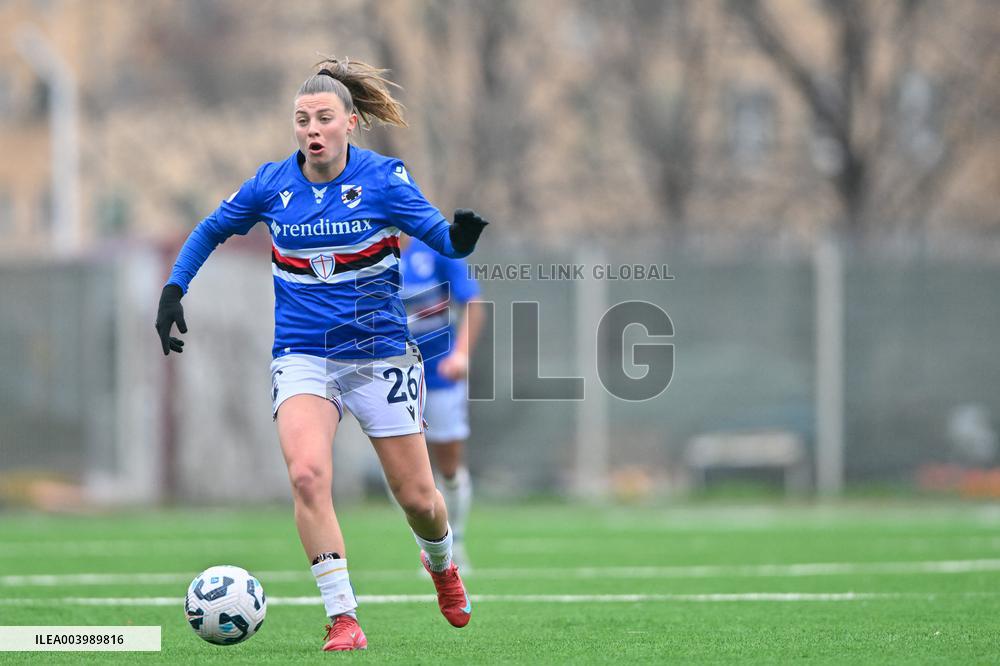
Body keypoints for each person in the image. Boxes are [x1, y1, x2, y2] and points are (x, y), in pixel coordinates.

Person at [154, 57, 488, 652]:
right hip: (303, 356)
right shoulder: (271, 184)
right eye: (302, 118)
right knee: (307, 474)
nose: (312, 128)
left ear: (350, 123)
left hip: (379, 355)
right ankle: (343, 617)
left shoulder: (385, 179)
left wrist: (458, 238)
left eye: (324, 117)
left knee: (418, 499)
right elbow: (209, 229)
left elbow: (440, 235)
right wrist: (174, 289)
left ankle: (442, 565)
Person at [398, 235, 484, 569]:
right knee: (406, 472)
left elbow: (473, 302)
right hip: (393, 376)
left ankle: (456, 540)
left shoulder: (432, 248)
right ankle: (429, 549)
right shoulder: (367, 246)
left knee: (448, 468)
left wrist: (461, 355)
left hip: (439, 375)